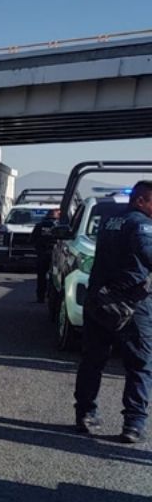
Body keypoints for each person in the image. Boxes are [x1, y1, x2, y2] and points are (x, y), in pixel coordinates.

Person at [72, 181, 152, 444]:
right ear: (141, 200)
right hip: (130, 304)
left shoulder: (109, 219)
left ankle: (84, 414)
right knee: (139, 365)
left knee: (92, 360)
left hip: (99, 299)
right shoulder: (141, 224)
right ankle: (133, 423)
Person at [31, 208, 61, 303]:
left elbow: (32, 239)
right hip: (55, 255)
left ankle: (40, 297)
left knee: (41, 277)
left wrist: (38, 247)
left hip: (42, 254)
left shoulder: (39, 225)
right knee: (54, 277)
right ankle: (52, 297)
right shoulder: (58, 226)